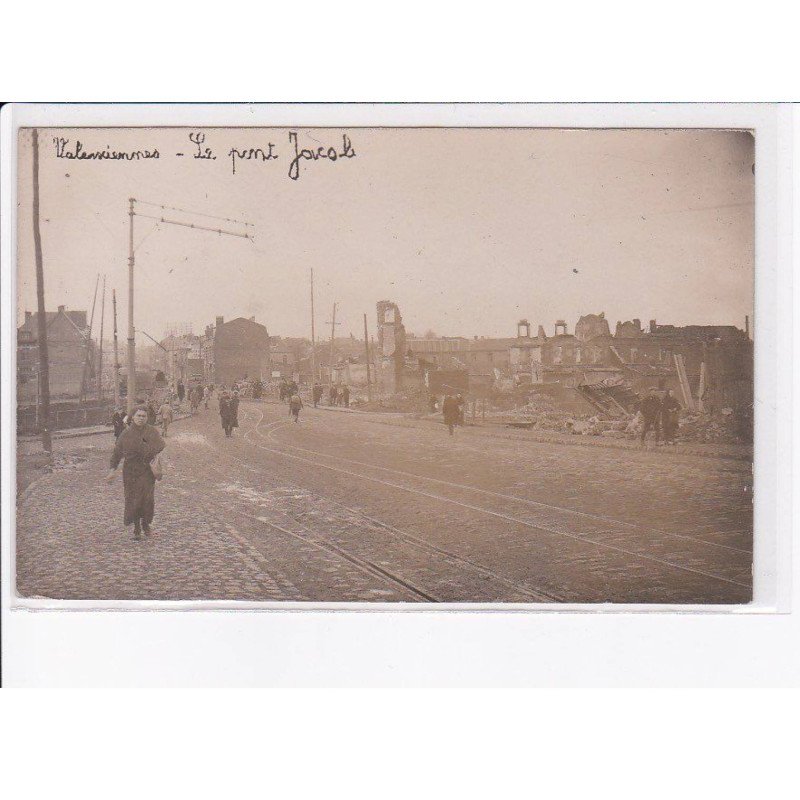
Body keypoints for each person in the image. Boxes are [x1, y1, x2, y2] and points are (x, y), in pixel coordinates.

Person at [106, 405, 165, 541]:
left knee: (147, 499)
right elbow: (116, 454)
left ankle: (146, 525)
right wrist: (111, 470)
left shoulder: (152, 431)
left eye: (144, 416)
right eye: (138, 415)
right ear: (132, 417)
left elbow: (160, 445)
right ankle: (137, 527)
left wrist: (151, 452)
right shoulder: (126, 434)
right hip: (131, 471)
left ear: (147, 418)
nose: (141, 418)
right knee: (133, 499)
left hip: (146, 471)